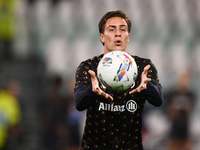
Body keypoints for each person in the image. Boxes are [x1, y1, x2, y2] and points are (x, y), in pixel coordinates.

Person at [74, 10, 163, 150]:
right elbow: (79, 103)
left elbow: (158, 100)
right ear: (102, 37)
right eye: (112, 29)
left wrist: (146, 86)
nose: (118, 33)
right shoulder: (89, 67)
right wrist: (93, 90)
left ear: (128, 36)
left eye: (123, 29)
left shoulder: (143, 67)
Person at [166, 70, 195, 150]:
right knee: (173, 144)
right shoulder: (173, 93)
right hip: (175, 124)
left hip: (185, 123)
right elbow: (169, 109)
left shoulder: (190, 94)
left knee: (186, 144)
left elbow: (191, 108)